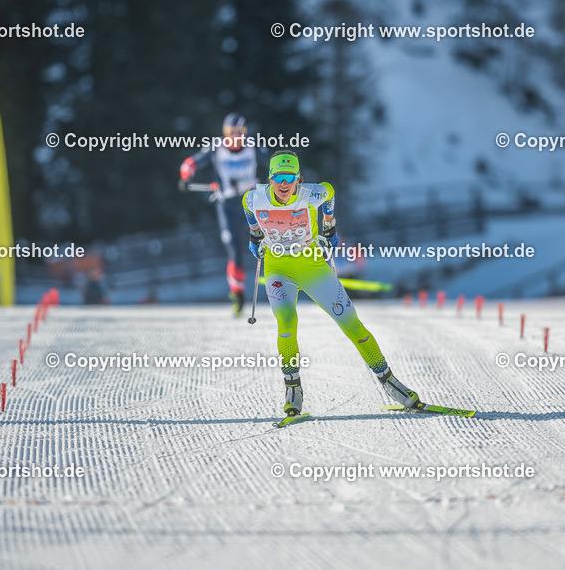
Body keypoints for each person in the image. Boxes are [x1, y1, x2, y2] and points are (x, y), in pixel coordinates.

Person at [241, 150, 421, 417]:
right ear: (270, 179)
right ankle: (293, 389)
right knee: (287, 320)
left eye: (290, 177)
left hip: (312, 265)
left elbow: (329, 191)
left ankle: (389, 381)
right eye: (278, 177)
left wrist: (329, 225)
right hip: (278, 269)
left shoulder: (311, 194)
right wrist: (255, 235)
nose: (284, 184)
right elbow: (246, 206)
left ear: (298, 179)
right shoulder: (255, 198)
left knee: (351, 323)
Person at [179, 114, 264, 316]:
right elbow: (189, 164)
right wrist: (186, 177)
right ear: (225, 133)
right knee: (235, 251)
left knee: (268, 244)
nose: (235, 137)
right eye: (231, 133)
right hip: (227, 206)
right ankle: (238, 294)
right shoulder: (216, 148)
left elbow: (278, 162)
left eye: (239, 133)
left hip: (252, 203)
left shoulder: (254, 147)